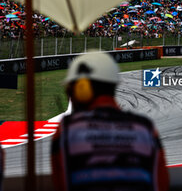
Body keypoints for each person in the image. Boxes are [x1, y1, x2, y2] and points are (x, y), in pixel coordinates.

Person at [51, 51, 169, 191]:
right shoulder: (146, 129)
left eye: (70, 90)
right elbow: (161, 185)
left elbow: (61, 184)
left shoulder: (67, 131)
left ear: (82, 89)